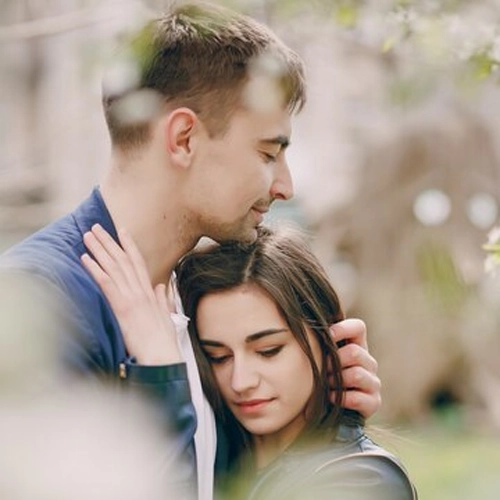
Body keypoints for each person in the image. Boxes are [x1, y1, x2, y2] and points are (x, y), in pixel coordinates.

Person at [0, 2, 381, 499]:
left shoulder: (201, 299)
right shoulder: (42, 304)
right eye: (268, 153)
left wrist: (321, 423)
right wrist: (159, 379)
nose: (285, 185)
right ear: (183, 138)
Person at [82, 223, 416, 499]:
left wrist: (161, 374)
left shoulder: (364, 480)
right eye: (218, 357)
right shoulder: (212, 447)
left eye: (269, 350)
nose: (241, 381)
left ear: (328, 337)